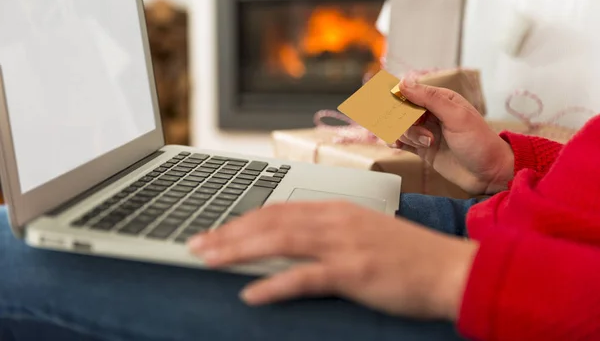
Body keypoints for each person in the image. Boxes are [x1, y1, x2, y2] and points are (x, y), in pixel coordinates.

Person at [2, 78, 599, 341]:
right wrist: (505, 169)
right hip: (508, 240)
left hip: (517, 306)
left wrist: (452, 277)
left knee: (11, 257)